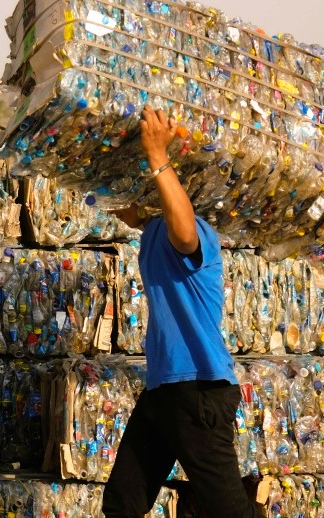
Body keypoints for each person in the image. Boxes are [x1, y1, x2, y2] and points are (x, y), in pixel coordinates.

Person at [101, 106, 262, 517]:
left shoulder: (197, 235)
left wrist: (158, 155)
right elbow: (149, 217)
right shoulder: (155, 231)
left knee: (227, 510)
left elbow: (184, 230)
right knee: (122, 502)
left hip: (199, 392)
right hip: (162, 392)